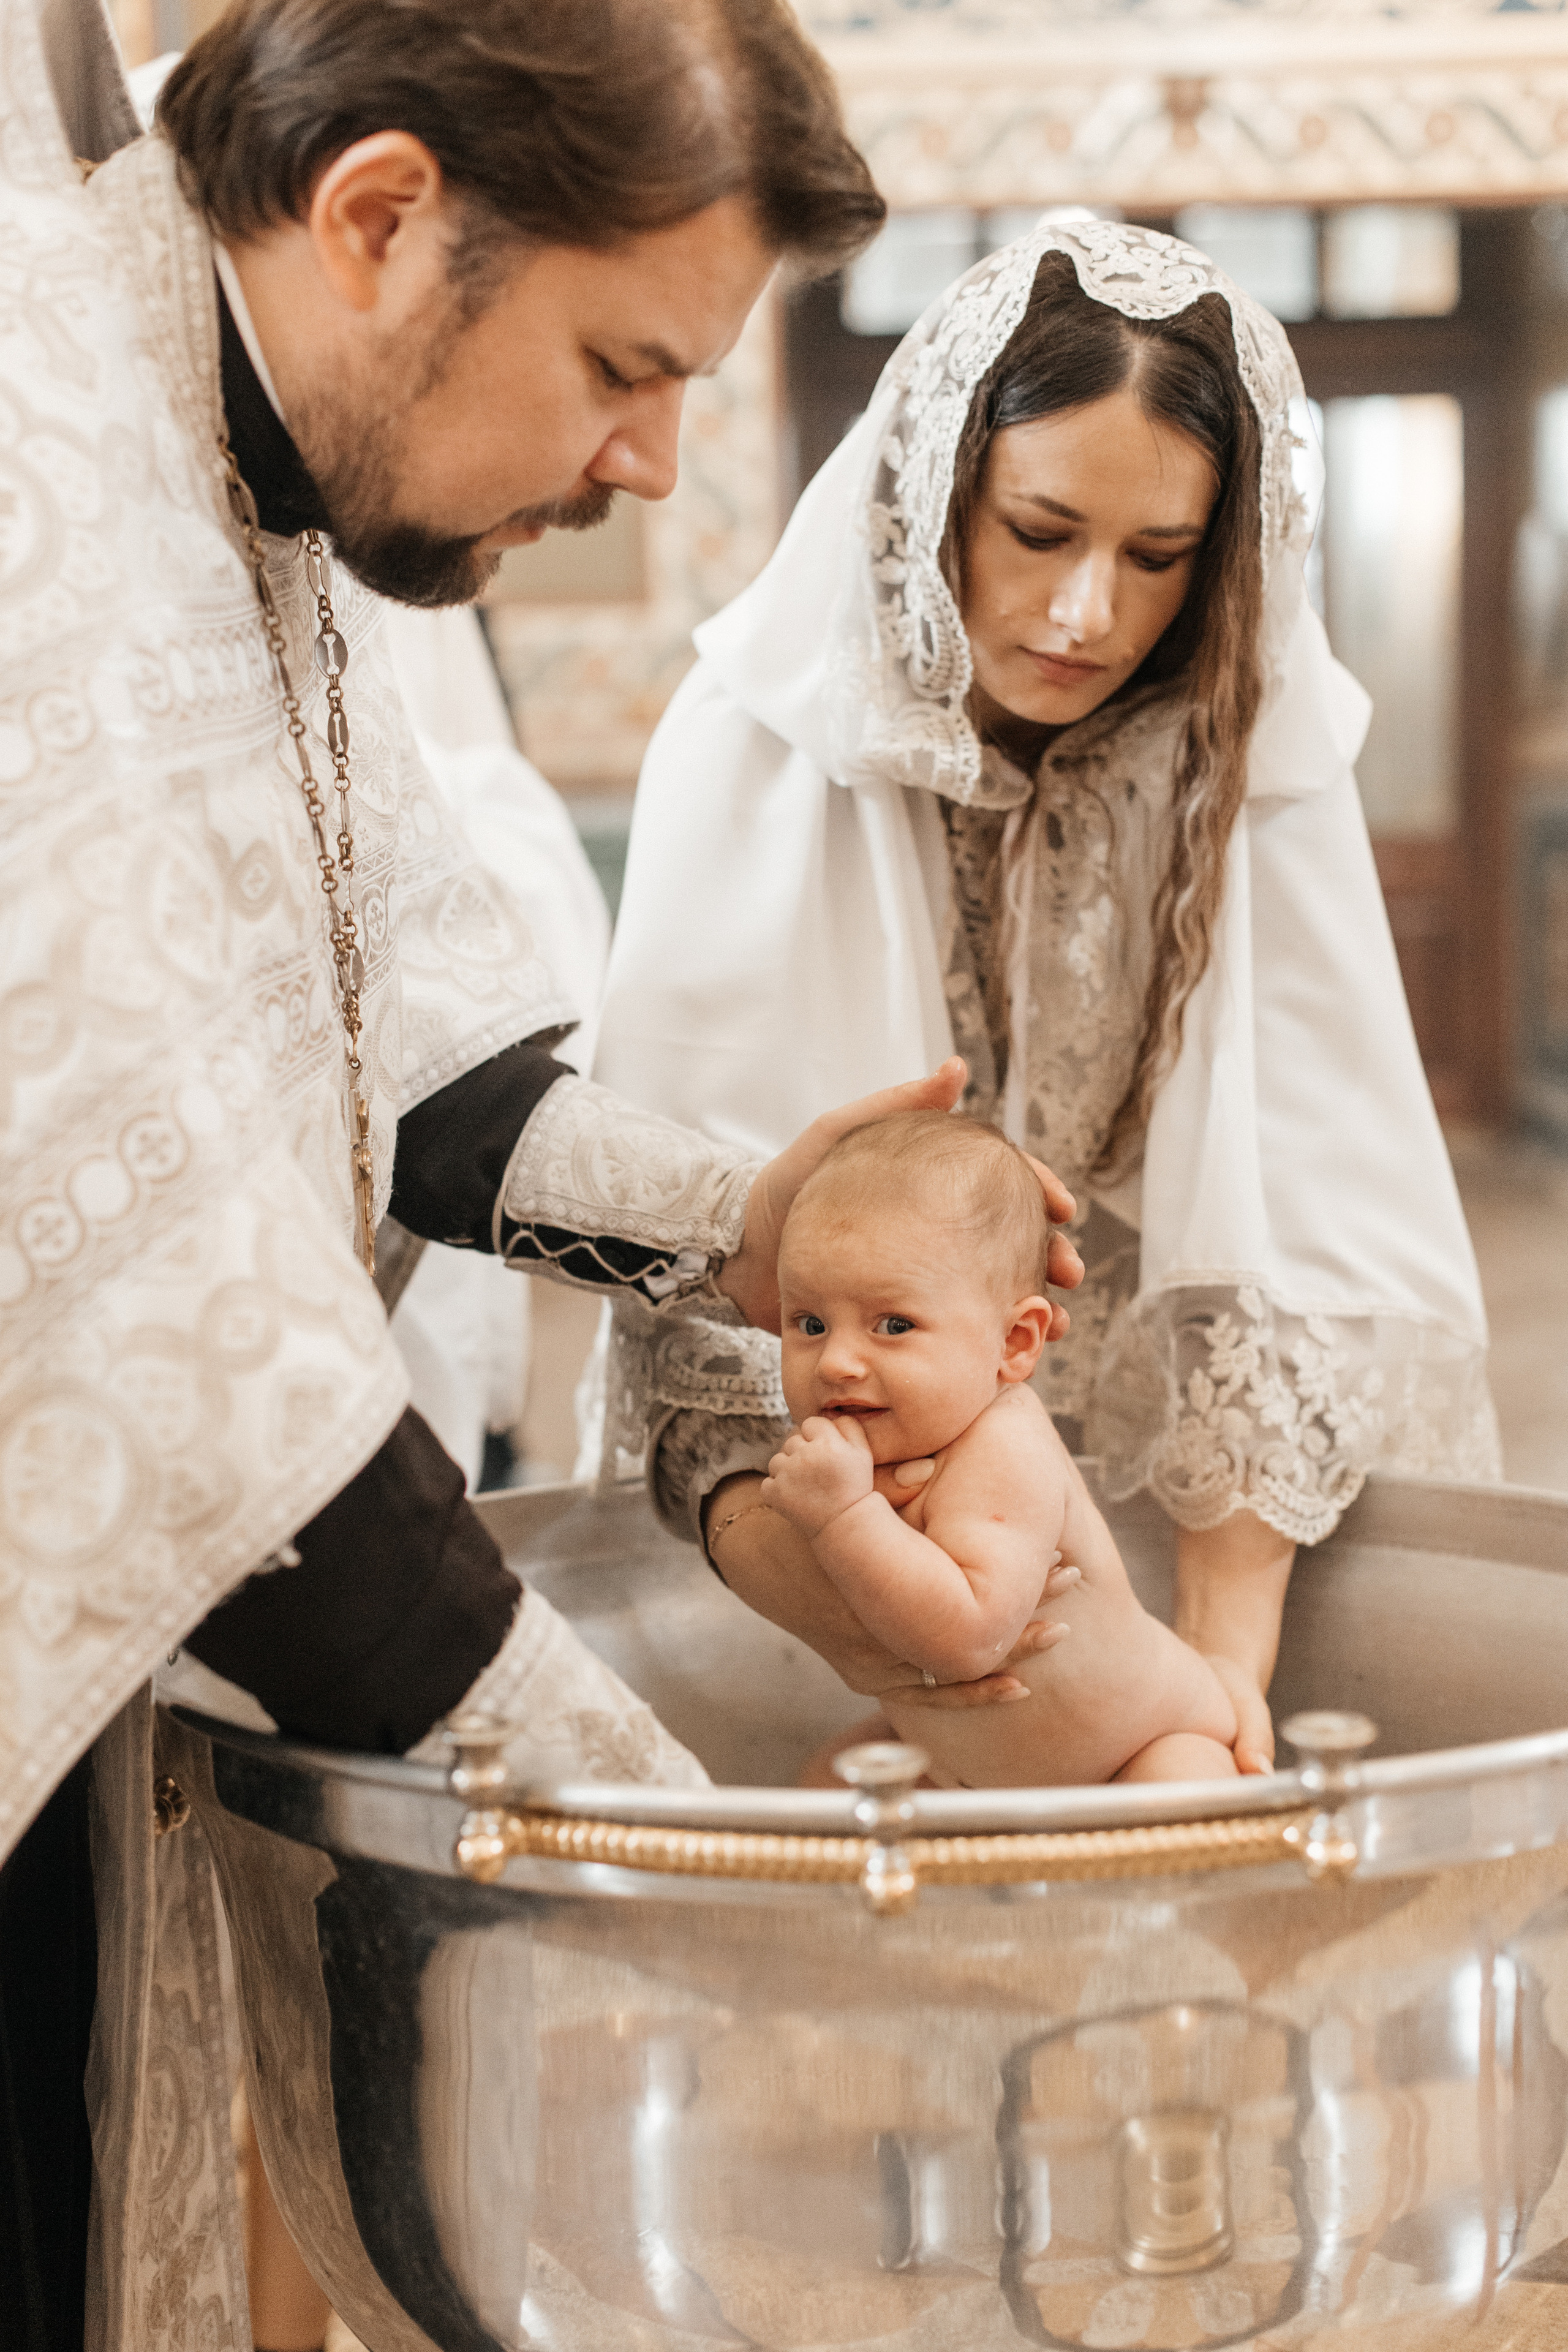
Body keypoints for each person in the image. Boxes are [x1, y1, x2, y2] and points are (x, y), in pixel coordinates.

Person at [4, 7, 1097, 2348]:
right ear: (382, 218)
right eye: (624, 363)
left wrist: (762, 1236)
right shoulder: (40, 466)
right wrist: (713, 1866)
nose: (654, 460)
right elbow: (186, 1366)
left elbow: (410, 1068)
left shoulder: (230, 446)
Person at [595, 214, 1500, 1784]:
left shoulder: (1244, 757)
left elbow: (1304, 1225)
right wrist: (888, 1617)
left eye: (1156, 558)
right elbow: (696, 1272)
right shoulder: (749, 744)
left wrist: (1207, 1675)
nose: (1087, 612)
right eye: (1037, 530)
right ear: (935, 493)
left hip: (1178, 1516)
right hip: (832, 1515)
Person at [760, 1112, 1238, 1787]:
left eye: (893, 1325)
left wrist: (841, 1517)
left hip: (1133, 1754)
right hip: (966, 1769)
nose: (836, 1362)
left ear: (1014, 1343)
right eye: (810, 1323)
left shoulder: (1003, 1444)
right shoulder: (850, 1450)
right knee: (826, 1788)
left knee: (1179, 1797)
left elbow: (971, 1639)